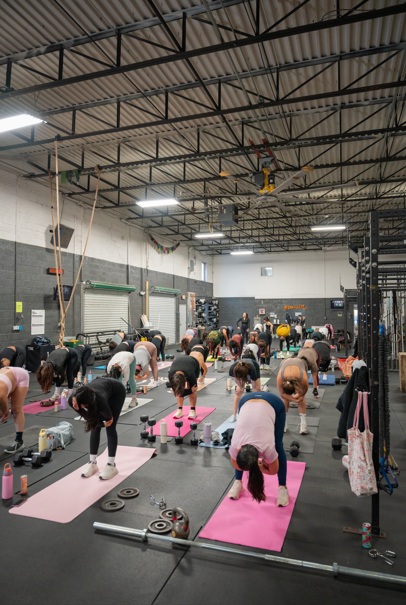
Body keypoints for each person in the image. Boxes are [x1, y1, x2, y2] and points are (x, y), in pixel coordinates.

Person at [227, 391, 288, 507]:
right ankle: (238, 482)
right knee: (244, 459)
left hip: (274, 403)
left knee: (278, 445)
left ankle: (283, 487)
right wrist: (257, 464)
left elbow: (273, 470)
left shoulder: (267, 448)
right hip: (246, 401)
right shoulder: (235, 444)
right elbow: (236, 464)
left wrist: (259, 465)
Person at [69, 379, 126, 480]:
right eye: (74, 402)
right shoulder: (72, 400)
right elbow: (90, 420)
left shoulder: (100, 402)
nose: (74, 406)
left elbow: (109, 420)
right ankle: (92, 463)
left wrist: (102, 422)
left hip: (117, 391)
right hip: (101, 389)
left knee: (110, 427)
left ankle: (111, 465)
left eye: (78, 405)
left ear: (86, 404)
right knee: (94, 426)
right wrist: (97, 422)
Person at [276, 347, 320, 435]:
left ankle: (303, 426)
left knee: (300, 397)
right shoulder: (280, 378)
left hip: (301, 365)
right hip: (285, 363)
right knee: (287, 398)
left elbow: (301, 394)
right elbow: (283, 395)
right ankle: (284, 424)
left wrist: (293, 398)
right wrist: (295, 400)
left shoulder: (302, 378)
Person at [0, 366, 29, 453]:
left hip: (20, 376)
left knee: (16, 409)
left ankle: (19, 441)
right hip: (6, 375)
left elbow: (5, 412)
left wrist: (5, 413)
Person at [228, 356, 261, 423]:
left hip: (253, 367)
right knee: (238, 392)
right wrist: (240, 387)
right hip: (241, 371)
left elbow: (253, 383)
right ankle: (234, 415)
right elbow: (236, 379)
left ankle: (256, 413)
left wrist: (254, 389)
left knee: (257, 391)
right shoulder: (232, 368)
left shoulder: (252, 369)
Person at [168, 355, 200, 419]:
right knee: (179, 389)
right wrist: (189, 391)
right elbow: (177, 393)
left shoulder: (190, 373)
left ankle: (193, 410)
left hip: (194, 363)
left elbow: (194, 389)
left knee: (190, 387)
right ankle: (180, 410)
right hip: (180, 361)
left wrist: (190, 390)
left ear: (185, 379)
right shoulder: (171, 374)